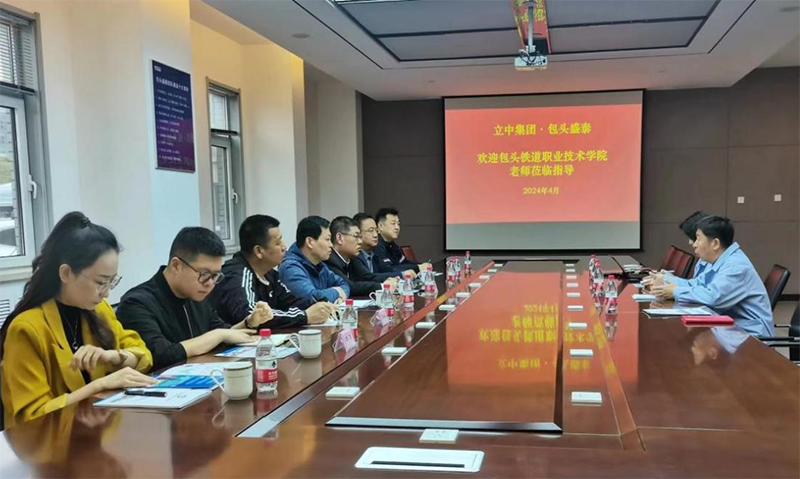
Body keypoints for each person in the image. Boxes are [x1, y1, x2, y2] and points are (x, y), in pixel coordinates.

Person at [0, 212, 156, 428]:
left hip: (92, 433)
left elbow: (144, 355)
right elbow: (32, 417)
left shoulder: (99, 310)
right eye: (100, 282)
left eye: (111, 281)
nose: (106, 293)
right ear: (66, 273)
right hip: (48, 442)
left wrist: (113, 356)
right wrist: (98, 386)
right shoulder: (26, 329)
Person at [117, 227, 270, 370]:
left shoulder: (194, 294)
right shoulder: (136, 303)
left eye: (215, 275)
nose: (210, 283)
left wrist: (249, 322)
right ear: (176, 265)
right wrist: (218, 334)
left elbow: (225, 333)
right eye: (204, 274)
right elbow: (159, 355)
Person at [650, 216, 773, 337]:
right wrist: (666, 280)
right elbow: (697, 283)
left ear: (715, 243)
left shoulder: (735, 266)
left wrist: (675, 291)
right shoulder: (720, 260)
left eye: (698, 239)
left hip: (751, 335)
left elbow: (714, 297)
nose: (694, 244)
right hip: (731, 328)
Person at [209, 214, 337, 328]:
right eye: (278, 242)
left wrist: (320, 304)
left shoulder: (269, 274)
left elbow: (291, 301)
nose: (284, 247)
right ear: (259, 251)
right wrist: (305, 316)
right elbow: (252, 316)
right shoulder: (238, 275)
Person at [279, 216, 350, 302]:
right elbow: (312, 298)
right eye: (327, 239)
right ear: (310, 242)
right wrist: (337, 292)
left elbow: (344, 284)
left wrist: (341, 296)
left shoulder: (319, 265)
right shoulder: (290, 268)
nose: (331, 245)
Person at [326, 216, 394, 297]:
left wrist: (392, 280)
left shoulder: (352, 258)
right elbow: (350, 287)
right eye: (356, 236)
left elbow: (366, 277)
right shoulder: (329, 260)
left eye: (360, 237)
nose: (360, 242)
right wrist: (382, 286)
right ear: (339, 238)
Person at [352, 213, 410, 282]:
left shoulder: (374, 254)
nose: (375, 235)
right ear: (358, 234)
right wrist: (402, 275)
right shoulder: (354, 255)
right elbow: (368, 277)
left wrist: (403, 274)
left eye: (376, 230)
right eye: (370, 230)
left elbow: (386, 270)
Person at [374, 207, 430, 277]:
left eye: (398, 224)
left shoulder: (393, 245)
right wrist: (418, 268)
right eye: (393, 223)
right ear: (381, 226)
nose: (397, 227)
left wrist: (420, 265)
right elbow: (388, 269)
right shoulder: (376, 245)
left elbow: (404, 263)